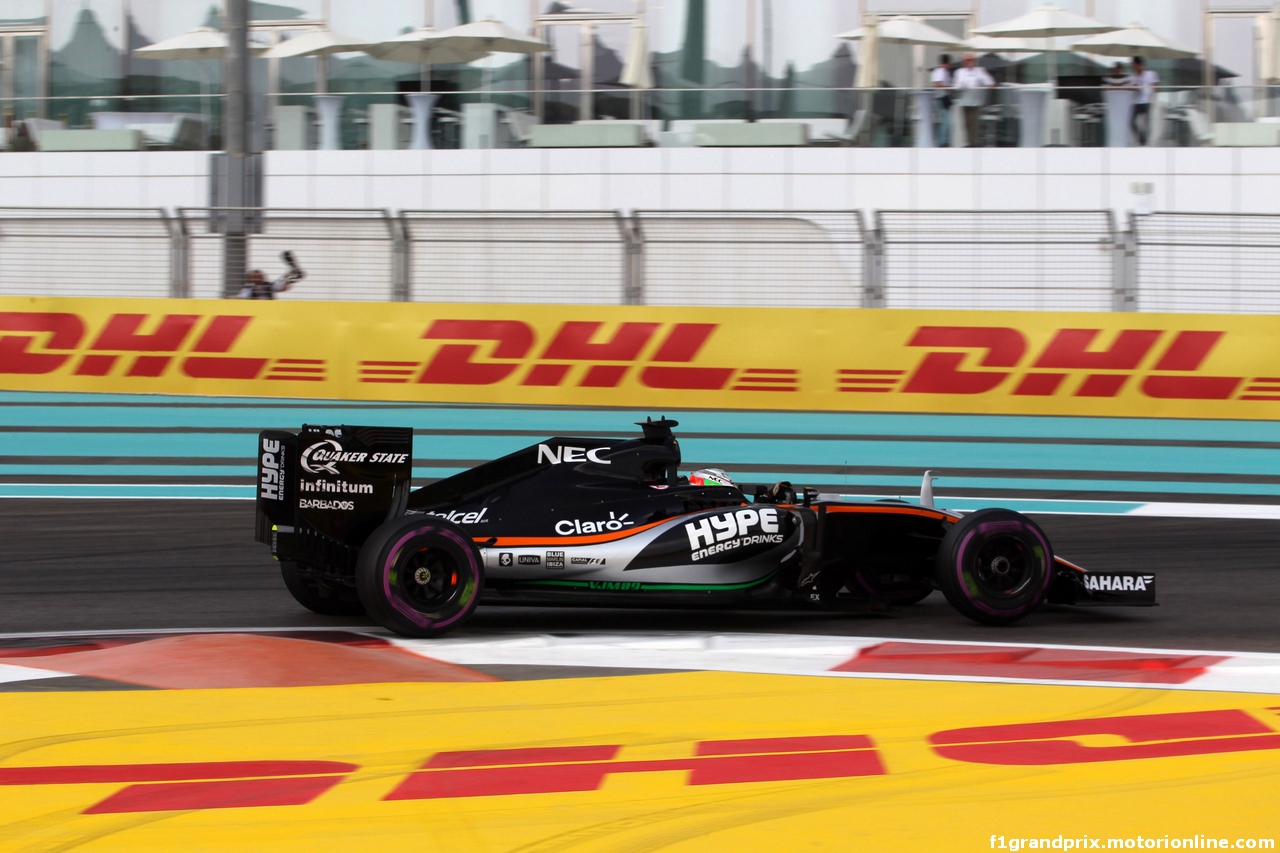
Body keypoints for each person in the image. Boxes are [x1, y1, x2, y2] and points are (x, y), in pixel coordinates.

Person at [952, 53, 995, 147]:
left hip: (976, 102)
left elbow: (990, 82)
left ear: (974, 61)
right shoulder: (959, 72)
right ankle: (969, 142)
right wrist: (961, 86)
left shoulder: (979, 71)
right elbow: (955, 86)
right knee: (966, 124)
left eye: (970, 60)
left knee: (974, 124)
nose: (968, 62)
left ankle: (974, 143)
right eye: (966, 61)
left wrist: (987, 86)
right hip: (964, 101)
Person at [238, 251, 305, 299]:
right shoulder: (248, 288)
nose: (259, 278)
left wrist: (288, 278)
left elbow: (282, 287)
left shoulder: (269, 285)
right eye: (255, 277)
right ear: (251, 279)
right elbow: (242, 297)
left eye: (260, 276)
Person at [1130, 56, 1158, 145]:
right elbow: (1132, 87)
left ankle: (1146, 141)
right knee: (1132, 122)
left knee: (1146, 121)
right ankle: (1141, 137)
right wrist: (1136, 88)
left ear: (1139, 64)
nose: (1133, 67)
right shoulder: (1133, 76)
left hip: (1146, 100)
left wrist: (1152, 94)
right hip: (1136, 101)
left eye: (1134, 64)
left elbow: (1155, 85)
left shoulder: (1150, 74)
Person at [930, 54, 953, 147]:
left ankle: (943, 140)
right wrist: (949, 87)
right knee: (945, 121)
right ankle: (942, 142)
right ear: (947, 63)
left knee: (945, 120)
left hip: (942, 97)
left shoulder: (941, 71)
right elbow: (937, 83)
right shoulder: (940, 71)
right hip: (940, 98)